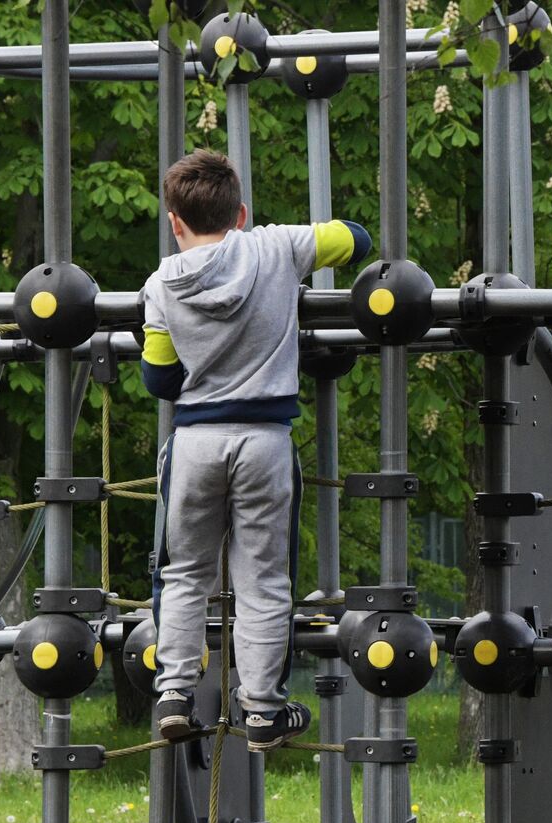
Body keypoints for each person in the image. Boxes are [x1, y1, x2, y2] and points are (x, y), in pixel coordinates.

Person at [142, 149, 372, 752]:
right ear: (239, 211)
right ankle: (264, 711)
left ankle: (173, 690)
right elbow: (357, 238)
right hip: (265, 441)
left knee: (184, 571)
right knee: (264, 581)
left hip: (195, 442)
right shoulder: (276, 247)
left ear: (175, 221)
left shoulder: (161, 285)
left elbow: (160, 382)